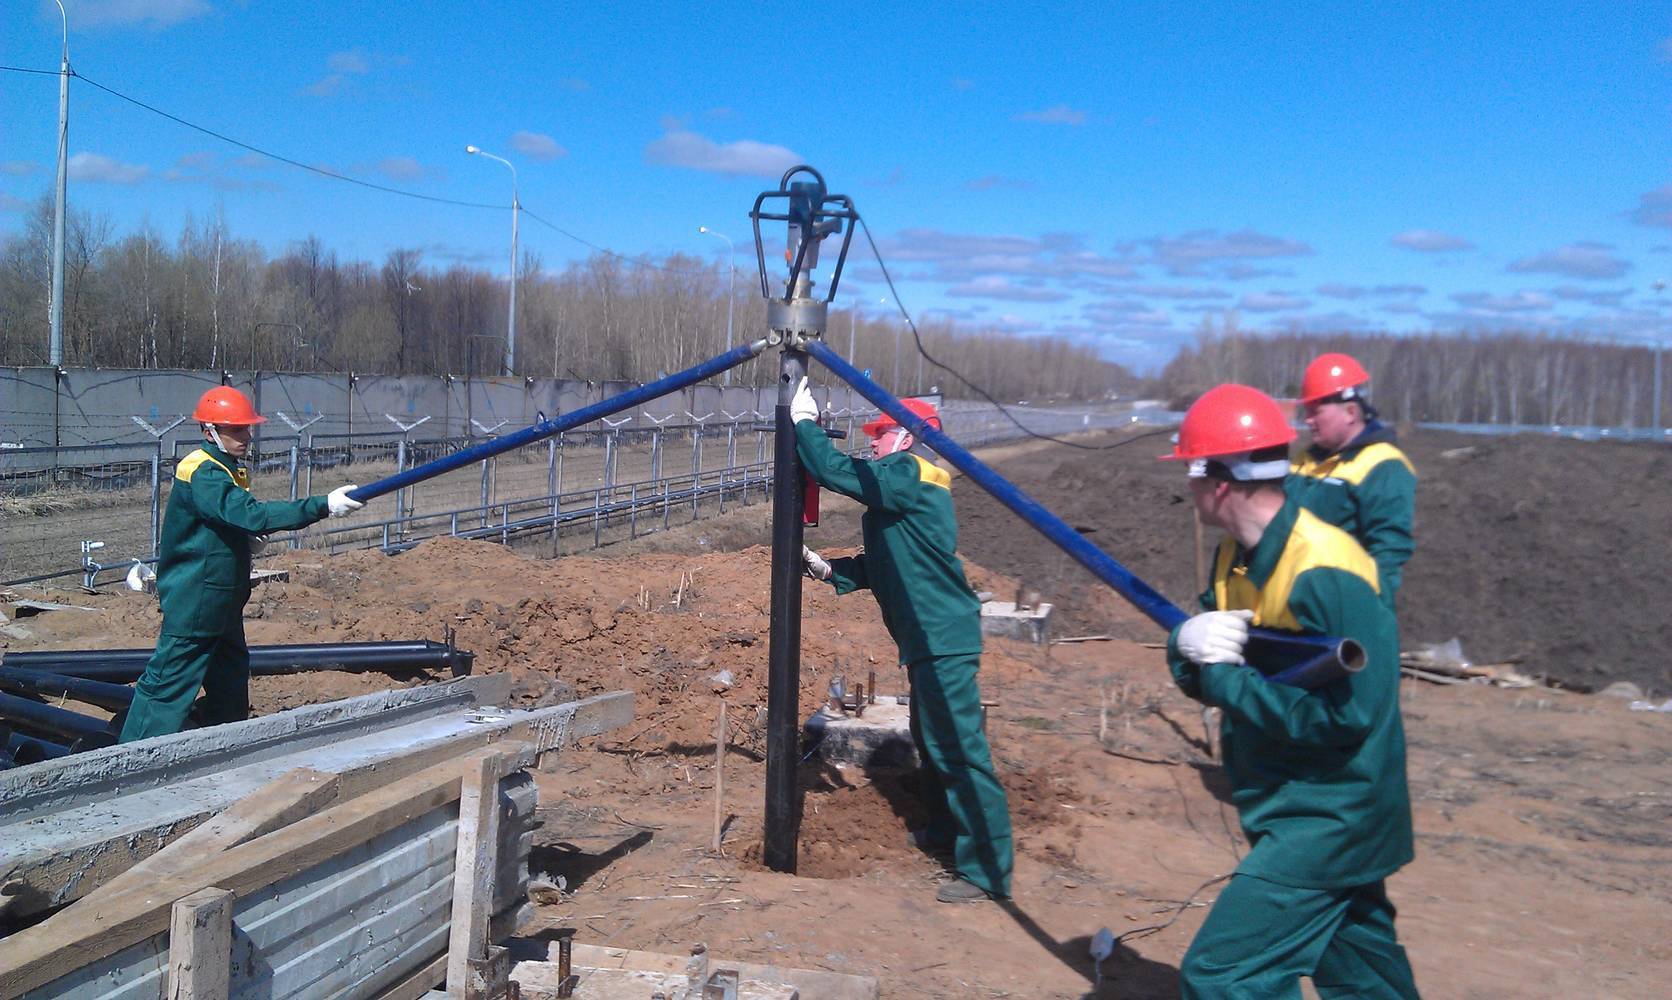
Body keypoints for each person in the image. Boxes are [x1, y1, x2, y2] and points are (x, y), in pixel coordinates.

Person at [1161, 383, 1419, 999]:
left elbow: (1346, 716)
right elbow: (1208, 662)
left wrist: (1223, 676)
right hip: (1286, 799)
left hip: (1332, 816)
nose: (1187, 489)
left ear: (1219, 481)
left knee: (1226, 974)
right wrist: (1186, 645)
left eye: (1192, 474)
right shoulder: (1236, 557)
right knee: (1361, 972)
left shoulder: (1327, 570)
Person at [791, 379, 1013, 904]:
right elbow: (891, 562)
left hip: (943, 638)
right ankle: (944, 832)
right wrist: (832, 570)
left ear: (909, 438)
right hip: (928, 638)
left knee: (959, 749)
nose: (872, 440)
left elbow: (839, 473)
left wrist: (804, 425)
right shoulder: (907, 491)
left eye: (881, 432)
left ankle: (987, 871)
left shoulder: (912, 474)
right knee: (935, 744)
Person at [119, 387, 364, 743]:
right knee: (166, 687)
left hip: (222, 600)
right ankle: (128, 761)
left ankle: (220, 746)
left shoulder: (224, 467)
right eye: (237, 430)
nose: (247, 437)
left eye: (247, 429)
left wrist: (241, 539)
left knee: (230, 685)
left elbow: (223, 521)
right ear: (210, 431)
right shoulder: (203, 472)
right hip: (196, 601)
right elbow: (250, 513)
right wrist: (322, 505)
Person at [1287, 353, 1417, 606]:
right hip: (1294, 598)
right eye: (1307, 411)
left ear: (1350, 412)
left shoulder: (1384, 466)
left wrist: (1368, 609)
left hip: (1340, 603)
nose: (1308, 420)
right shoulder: (1304, 460)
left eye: (1316, 411)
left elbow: (1388, 551)